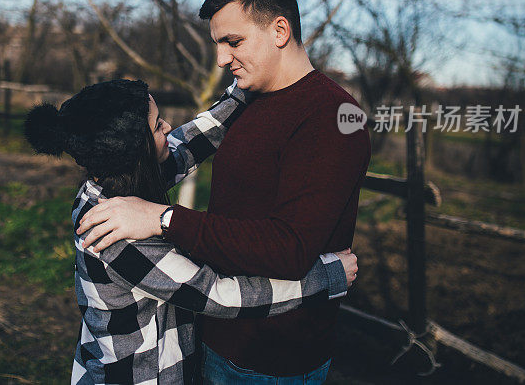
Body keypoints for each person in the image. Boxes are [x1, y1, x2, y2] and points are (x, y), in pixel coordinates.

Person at [76, 0, 372, 383]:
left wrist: (164, 218)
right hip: (211, 338)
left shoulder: (333, 118)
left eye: (233, 42)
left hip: (270, 359)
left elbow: (289, 250)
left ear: (280, 30)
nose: (221, 59)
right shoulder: (251, 100)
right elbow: (186, 146)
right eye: (219, 44)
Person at [23, 78, 358, 384]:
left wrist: (242, 91)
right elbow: (219, 295)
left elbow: (189, 144)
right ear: (135, 151)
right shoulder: (118, 236)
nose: (168, 127)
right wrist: (326, 278)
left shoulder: (110, 182)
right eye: (157, 126)